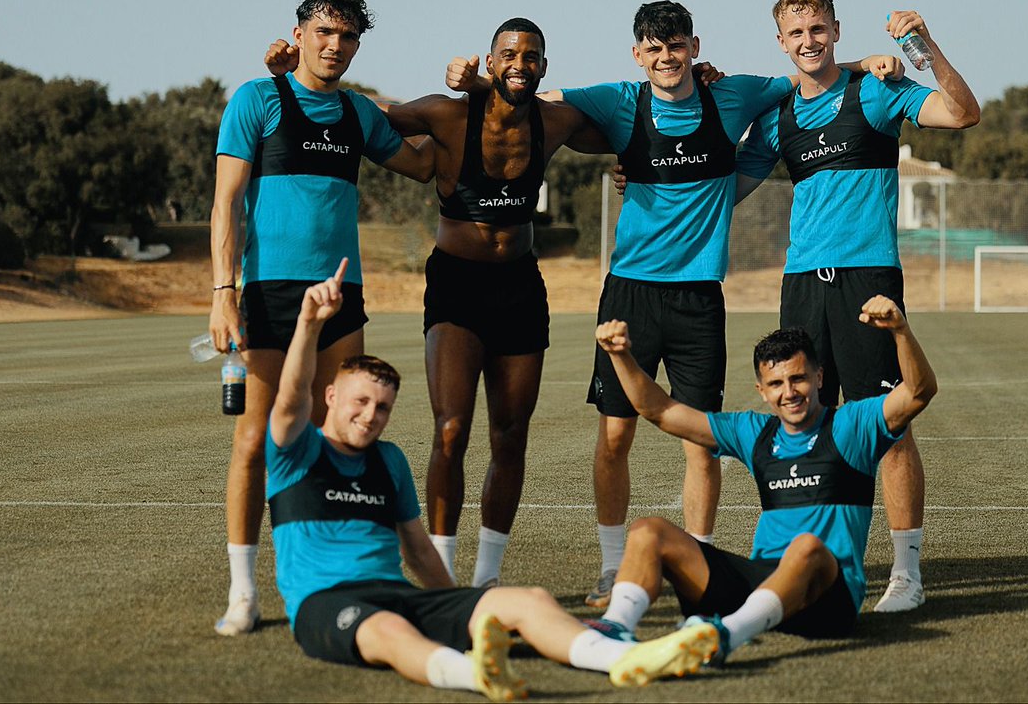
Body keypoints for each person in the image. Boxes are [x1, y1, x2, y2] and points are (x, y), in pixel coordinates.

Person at [448, 0, 901, 607]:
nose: (667, 57)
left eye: (677, 45)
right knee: (614, 436)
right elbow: (534, 98)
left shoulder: (734, 95)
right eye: (654, 48)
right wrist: (478, 82)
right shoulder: (619, 100)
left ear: (694, 45)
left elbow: (806, 72)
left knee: (702, 442)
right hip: (629, 292)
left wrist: (863, 63)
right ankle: (614, 567)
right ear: (639, 54)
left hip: (699, 298)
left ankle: (698, 564)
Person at [265, 259, 720, 699]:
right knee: (388, 630)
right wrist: (309, 323)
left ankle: (623, 657)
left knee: (531, 601)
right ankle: (474, 674)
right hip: (326, 604)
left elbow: (419, 550)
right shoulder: (297, 453)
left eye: (382, 407)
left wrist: (459, 609)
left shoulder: (388, 461)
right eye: (359, 402)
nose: (370, 416)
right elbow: (288, 402)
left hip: (398, 593)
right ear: (329, 397)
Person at [266, 16, 611, 588]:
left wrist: (636, 156)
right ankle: (443, 575)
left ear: (544, 67)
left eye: (531, 58)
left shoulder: (559, 120)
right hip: (457, 284)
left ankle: (487, 577)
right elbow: (357, 113)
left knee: (510, 432)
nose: (520, 66)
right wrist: (292, 78)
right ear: (491, 59)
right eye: (509, 55)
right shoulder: (446, 113)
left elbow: (633, 129)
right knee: (451, 428)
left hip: (521, 284)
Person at [733, 0, 980, 612]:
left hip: (868, 278)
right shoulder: (778, 115)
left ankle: (906, 574)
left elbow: (962, 113)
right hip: (801, 285)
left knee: (889, 426)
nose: (808, 42)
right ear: (781, 43)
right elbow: (725, 188)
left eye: (818, 29)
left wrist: (922, 48)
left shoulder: (874, 89)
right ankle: (819, 566)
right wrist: (649, 176)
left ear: (835, 30)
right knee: (807, 426)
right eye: (796, 33)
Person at [210, 0, 435, 636]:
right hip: (268, 296)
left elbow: (422, 165)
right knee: (257, 440)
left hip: (342, 296)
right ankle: (244, 590)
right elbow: (226, 203)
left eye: (348, 37)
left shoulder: (359, 115)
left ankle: (317, 577)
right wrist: (223, 292)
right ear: (301, 33)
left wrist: (478, 123)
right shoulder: (257, 100)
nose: (335, 46)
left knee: (326, 442)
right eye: (325, 33)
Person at [590, 293, 937, 660]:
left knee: (805, 546)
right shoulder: (754, 433)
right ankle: (614, 631)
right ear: (762, 391)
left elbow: (918, 391)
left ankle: (724, 636)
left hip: (826, 595)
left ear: (820, 378)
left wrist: (900, 331)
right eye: (776, 384)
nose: (789, 393)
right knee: (649, 530)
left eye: (799, 379)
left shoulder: (852, 425)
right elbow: (660, 411)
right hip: (762, 584)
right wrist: (620, 356)